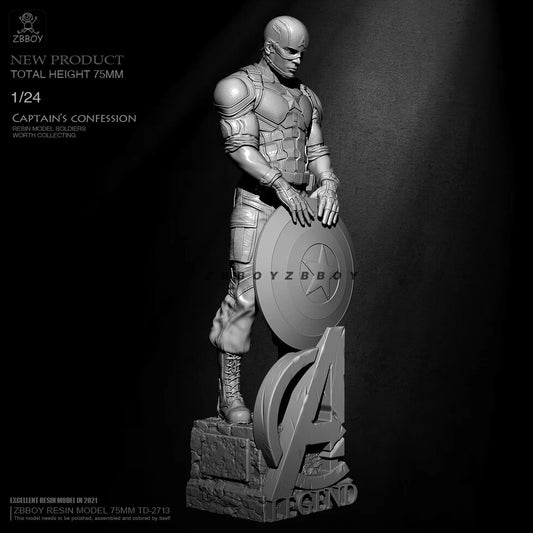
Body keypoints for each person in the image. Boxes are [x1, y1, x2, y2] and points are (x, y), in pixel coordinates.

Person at [209, 15, 341, 424]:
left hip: (298, 212)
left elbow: (316, 151)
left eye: (302, 52)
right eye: (290, 51)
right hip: (258, 204)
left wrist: (329, 183)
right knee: (245, 297)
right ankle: (229, 394)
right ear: (269, 48)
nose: (298, 59)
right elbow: (240, 147)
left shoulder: (308, 97)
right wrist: (280, 185)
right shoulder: (239, 87)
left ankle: (291, 396)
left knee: (295, 305)